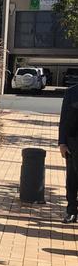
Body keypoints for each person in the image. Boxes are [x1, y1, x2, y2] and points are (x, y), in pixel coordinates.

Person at [59, 85, 78, 223]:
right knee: (71, 180)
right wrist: (62, 143)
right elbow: (64, 120)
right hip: (73, 144)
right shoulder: (71, 92)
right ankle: (71, 211)